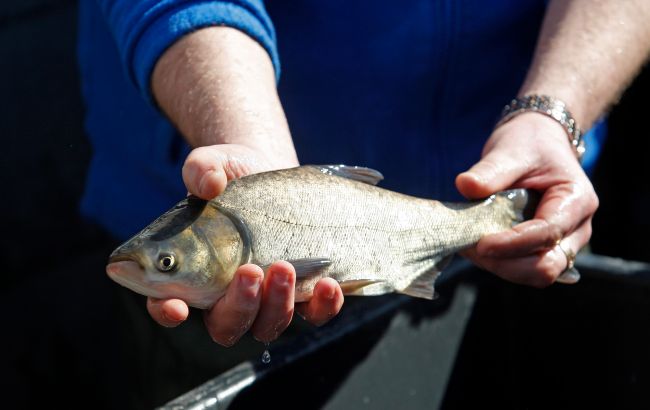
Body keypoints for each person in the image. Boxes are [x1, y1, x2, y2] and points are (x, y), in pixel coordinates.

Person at [78, 0, 648, 388]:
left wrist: (553, 115)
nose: (163, 264)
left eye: (169, 261)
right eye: (168, 260)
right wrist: (243, 137)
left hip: (525, 197)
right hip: (199, 154)